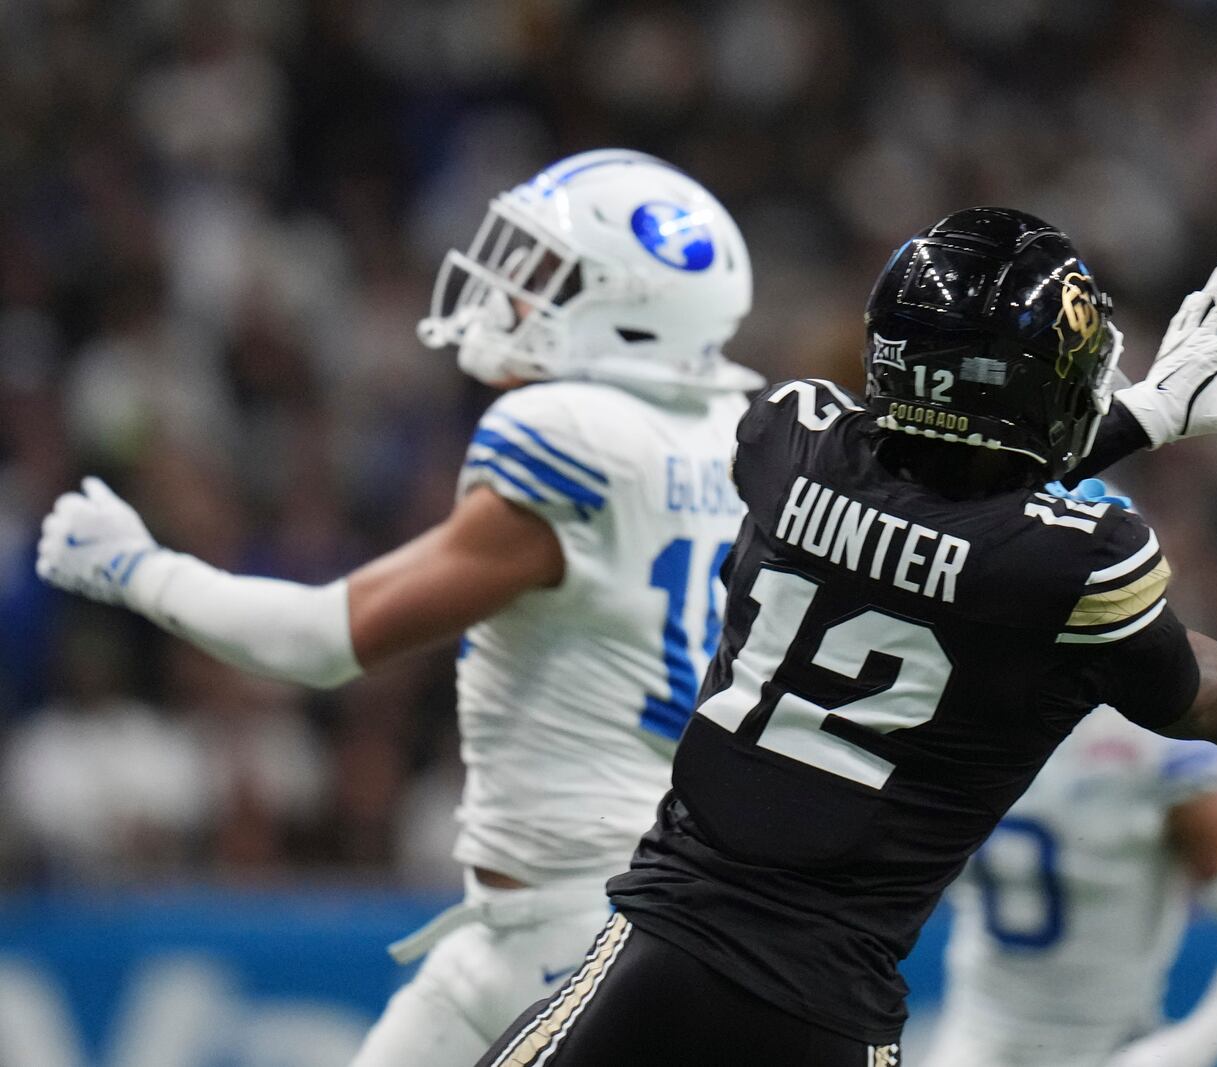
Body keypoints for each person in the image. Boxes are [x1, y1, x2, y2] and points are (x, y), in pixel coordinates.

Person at [472, 206, 1217, 1067]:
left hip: (659, 954)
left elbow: (926, 488)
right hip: (830, 1012)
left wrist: (1140, 416)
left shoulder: (790, 439)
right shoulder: (1076, 561)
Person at [34, 149, 764, 1067]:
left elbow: (323, 640)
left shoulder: (572, 435)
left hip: (586, 926)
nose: (512, 293)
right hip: (572, 916)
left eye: (548, 276)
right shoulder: (745, 435)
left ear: (630, 316)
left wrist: (137, 569)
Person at [926, 694, 1217, 1067]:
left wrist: (1187, 1048)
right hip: (974, 1041)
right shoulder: (960, 712)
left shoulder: (1154, 740)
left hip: (1111, 1047)